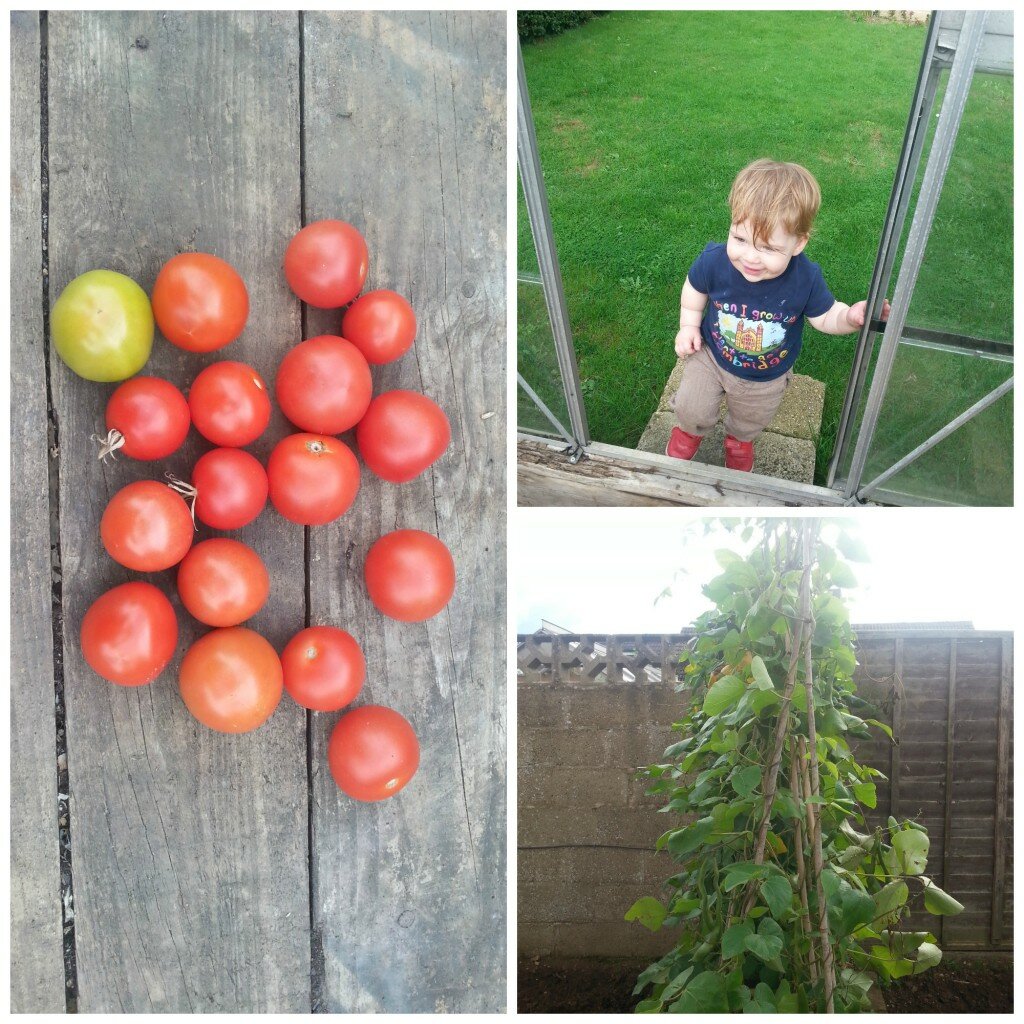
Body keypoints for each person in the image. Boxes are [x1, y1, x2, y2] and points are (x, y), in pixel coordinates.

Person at [666, 158, 889, 471]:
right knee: (692, 406)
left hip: (765, 375)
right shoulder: (715, 261)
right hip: (711, 356)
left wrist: (851, 317)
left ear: (798, 243)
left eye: (768, 248)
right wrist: (688, 325)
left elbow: (825, 317)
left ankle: (739, 441)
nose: (750, 257)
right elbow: (694, 288)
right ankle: (689, 431)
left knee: (750, 418)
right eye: (740, 239)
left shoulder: (805, 279)